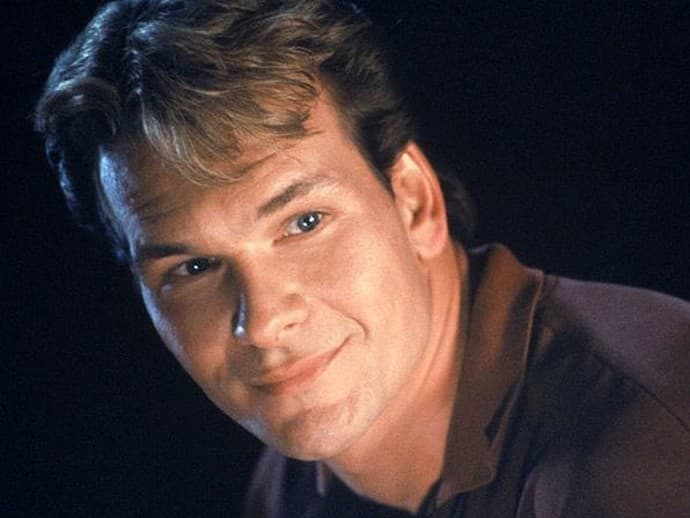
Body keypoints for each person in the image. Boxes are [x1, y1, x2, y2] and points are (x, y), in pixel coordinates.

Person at [34, 1, 690, 516]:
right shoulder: (291, 488)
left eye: (305, 222)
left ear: (414, 202)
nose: (263, 323)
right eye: (193, 268)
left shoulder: (645, 450)